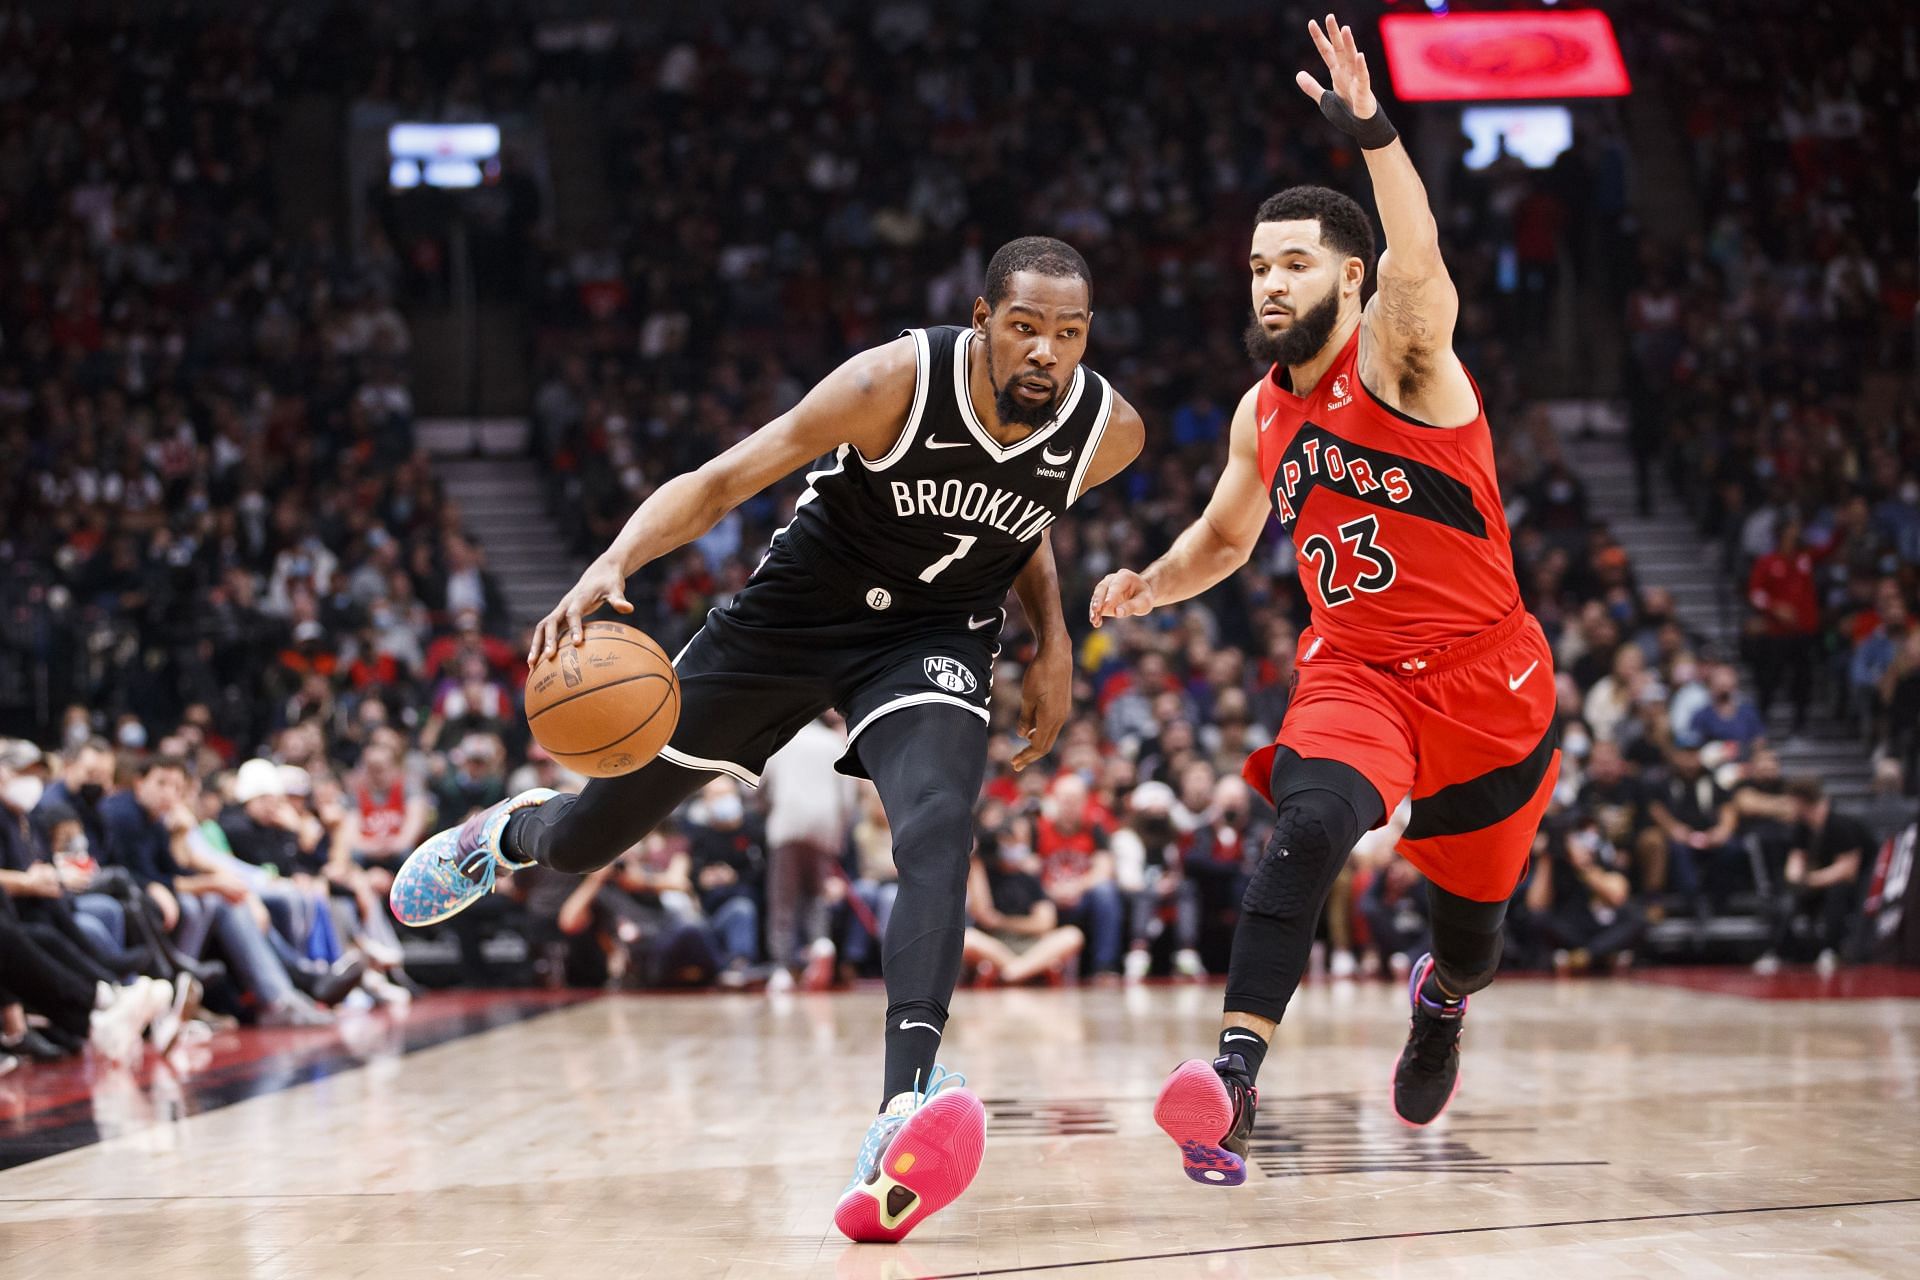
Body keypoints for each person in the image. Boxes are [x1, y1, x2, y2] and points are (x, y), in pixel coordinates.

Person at [388, 236, 1144, 1241]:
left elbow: (1023, 518)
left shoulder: (1109, 428)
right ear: (979, 322)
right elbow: (720, 479)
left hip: (933, 635)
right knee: (588, 840)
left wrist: (1053, 640)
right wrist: (611, 561)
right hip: (789, 621)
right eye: (1025, 328)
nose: (1048, 352)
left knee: (937, 824)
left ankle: (903, 1102)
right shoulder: (889, 383)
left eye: (1069, 333)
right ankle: (512, 837)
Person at [1092, 17, 1560, 1181]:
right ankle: (1234, 1080)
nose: (1269, 282)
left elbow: (1422, 255)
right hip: (1356, 675)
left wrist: (1374, 135)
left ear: (1349, 277)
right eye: (1257, 266)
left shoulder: (1403, 353)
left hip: (1487, 680)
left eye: (1293, 261)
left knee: (1475, 939)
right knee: (1304, 824)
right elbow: (1223, 536)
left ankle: (1441, 999)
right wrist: (1153, 582)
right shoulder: (1262, 413)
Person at [1753, 778, 1870, 973]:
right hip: (1819, 879)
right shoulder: (1803, 827)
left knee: (1837, 893)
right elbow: (1796, 859)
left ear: (1800, 801)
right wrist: (1796, 879)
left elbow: (1847, 870)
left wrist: (1811, 880)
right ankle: (1780, 951)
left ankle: (1831, 950)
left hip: (1855, 882)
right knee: (1784, 896)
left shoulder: (1840, 824)